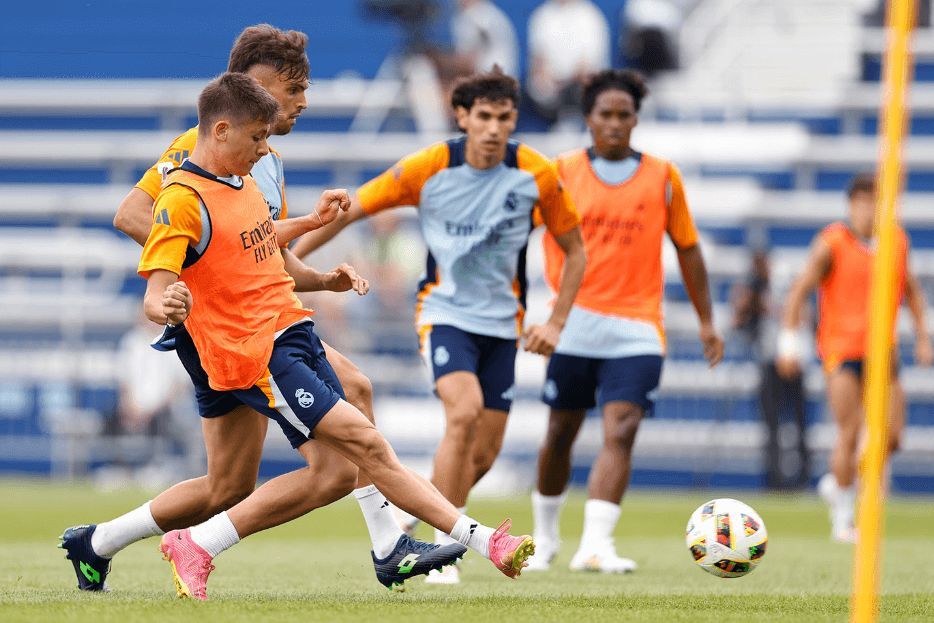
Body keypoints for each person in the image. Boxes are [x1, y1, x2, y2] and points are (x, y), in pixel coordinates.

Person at [60, 25, 461, 594]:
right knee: (354, 404)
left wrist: (320, 273)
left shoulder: (264, 158)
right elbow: (133, 215)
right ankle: (389, 545)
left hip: (262, 319)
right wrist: (198, 275)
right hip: (229, 329)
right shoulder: (199, 146)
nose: (302, 101)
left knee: (228, 488)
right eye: (294, 88)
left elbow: (263, 242)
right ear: (253, 84)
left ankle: (96, 543)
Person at [138, 72, 534, 599]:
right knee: (367, 444)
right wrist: (166, 303)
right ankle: (483, 542)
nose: (265, 147)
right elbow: (155, 288)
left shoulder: (243, 180)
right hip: (258, 354)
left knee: (335, 473)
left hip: (292, 331)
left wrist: (311, 225)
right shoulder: (180, 199)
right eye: (258, 137)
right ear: (222, 130)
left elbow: (253, 236)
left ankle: (201, 544)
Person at [293, 67, 586, 584]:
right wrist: (289, 266)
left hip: (502, 327)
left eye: (504, 118)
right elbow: (353, 209)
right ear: (462, 117)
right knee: (464, 411)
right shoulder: (429, 168)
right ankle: (443, 552)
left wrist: (557, 322)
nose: (494, 128)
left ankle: (417, 511)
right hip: (444, 316)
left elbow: (575, 250)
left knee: (486, 452)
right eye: (484, 117)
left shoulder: (536, 174)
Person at [525, 69, 724, 573]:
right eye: (605, 115)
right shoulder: (561, 172)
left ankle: (595, 544)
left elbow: (689, 250)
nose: (615, 123)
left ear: (636, 119)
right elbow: (513, 236)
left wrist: (706, 322)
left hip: (637, 327)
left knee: (623, 428)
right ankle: (546, 537)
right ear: (588, 118)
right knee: (561, 432)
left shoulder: (663, 177)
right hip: (572, 323)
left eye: (624, 115)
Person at [777, 172, 932, 543]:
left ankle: (838, 481)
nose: (870, 211)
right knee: (850, 430)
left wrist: (923, 337)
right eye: (864, 203)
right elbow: (799, 291)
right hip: (842, 349)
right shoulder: (831, 243)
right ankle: (844, 518)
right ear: (851, 206)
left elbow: (910, 289)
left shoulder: (896, 242)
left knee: (892, 437)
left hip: (884, 349)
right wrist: (789, 341)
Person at [731, 250, 808, 490]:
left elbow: (798, 317)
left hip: (790, 361)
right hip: (770, 360)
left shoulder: (785, 287)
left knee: (794, 424)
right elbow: (740, 321)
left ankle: (797, 478)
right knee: (774, 425)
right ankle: (776, 479)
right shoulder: (759, 288)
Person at [526, 0, 610, 128]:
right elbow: (538, 59)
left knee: (580, 87)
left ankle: (575, 122)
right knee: (538, 87)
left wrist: (566, 82)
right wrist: (546, 77)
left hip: (578, 80)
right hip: (553, 83)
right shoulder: (542, 15)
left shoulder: (589, 15)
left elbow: (587, 65)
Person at [451, 0, 519, 77]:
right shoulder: (479, 13)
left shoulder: (479, 16)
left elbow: (468, 61)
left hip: (493, 79)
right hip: (494, 78)